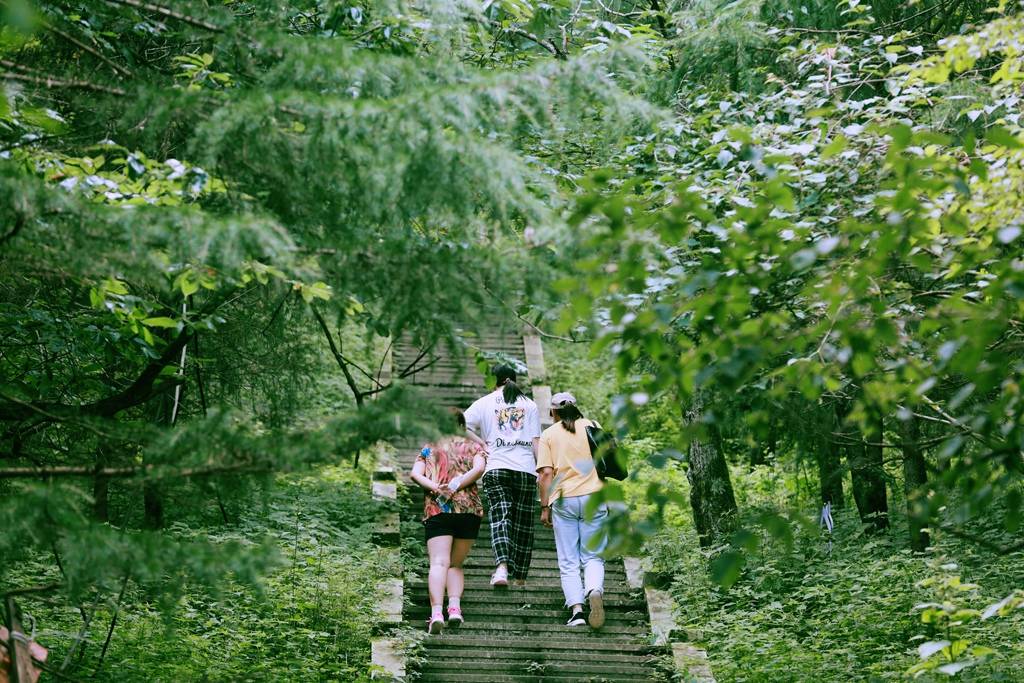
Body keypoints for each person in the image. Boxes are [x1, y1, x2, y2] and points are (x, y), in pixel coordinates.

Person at [464, 364, 542, 588]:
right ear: (515, 379)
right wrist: (540, 469)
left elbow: (459, 424)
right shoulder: (530, 404)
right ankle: (520, 577)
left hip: (496, 467)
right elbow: (536, 441)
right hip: (525, 469)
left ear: (494, 380)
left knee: (501, 516)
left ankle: (502, 568)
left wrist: (482, 443)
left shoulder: (485, 402)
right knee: (523, 523)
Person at [410, 409, 488, 633]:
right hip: (468, 510)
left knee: (438, 563)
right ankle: (454, 608)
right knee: (455, 564)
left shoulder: (428, 448)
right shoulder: (474, 447)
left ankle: (436, 613)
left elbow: (416, 475)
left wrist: (436, 487)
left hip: (438, 509)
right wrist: (457, 485)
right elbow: (479, 468)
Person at [537, 391, 608, 629]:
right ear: (576, 408)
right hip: (594, 496)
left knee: (568, 560)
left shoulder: (548, 434)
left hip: (565, 499)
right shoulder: (593, 425)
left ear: (553, 412)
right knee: (593, 555)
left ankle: (577, 611)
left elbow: (546, 474)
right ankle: (594, 590)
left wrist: (544, 506)